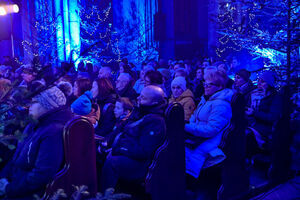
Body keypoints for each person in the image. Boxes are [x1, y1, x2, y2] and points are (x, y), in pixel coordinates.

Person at [0, 86, 73, 199]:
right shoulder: (34, 124)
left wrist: (9, 188)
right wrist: (3, 177)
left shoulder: (53, 132)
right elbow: (15, 158)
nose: (29, 106)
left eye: (35, 102)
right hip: (14, 181)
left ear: (47, 106)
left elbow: (42, 174)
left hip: (26, 192)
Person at [100, 85, 167, 191]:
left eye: (144, 98)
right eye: (140, 95)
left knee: (112, 163)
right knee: (95, 153)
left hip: (139, 163)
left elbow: (143, 151)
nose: (139, 99)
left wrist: (118, 149)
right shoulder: (139, 110)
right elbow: (120, 128)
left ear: (154, 102)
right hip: (124, 150)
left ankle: (105, 196)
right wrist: (106, 142)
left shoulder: (156, 121)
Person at [185, 70, 233, 178]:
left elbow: (211, 130)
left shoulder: (221, 104)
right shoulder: (206, 99)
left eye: (209, 84)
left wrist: (186, 127)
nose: (205, 86)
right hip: (198, 135)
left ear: (220, 86)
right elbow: (193, 118)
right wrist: (188, 127)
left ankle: (189, 182)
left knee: (183, 152)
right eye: (204, 83)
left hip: (211, 140)